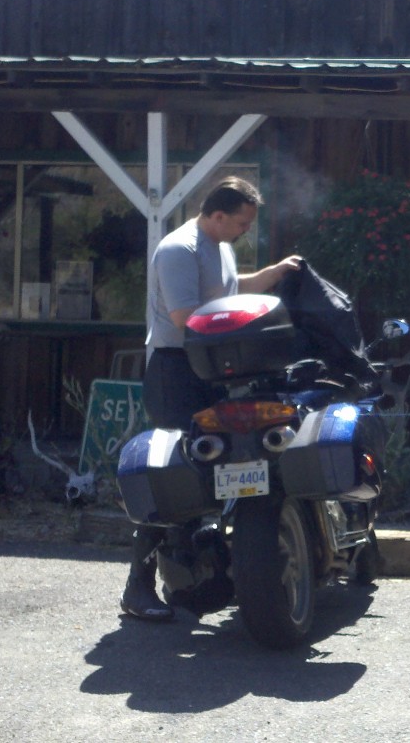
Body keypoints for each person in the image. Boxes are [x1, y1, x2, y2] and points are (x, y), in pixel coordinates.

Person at [120, 176, 304, 622]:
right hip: (176, 369)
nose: (244, 230)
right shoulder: (178, 249)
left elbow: (225, 289)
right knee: (173, 477)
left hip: (212, 367)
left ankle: (202, 575)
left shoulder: (218, 244)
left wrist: (272, 275)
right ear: (217, 215)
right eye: (241, 222)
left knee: (219, 471)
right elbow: (187, 316)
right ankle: (137, 587)